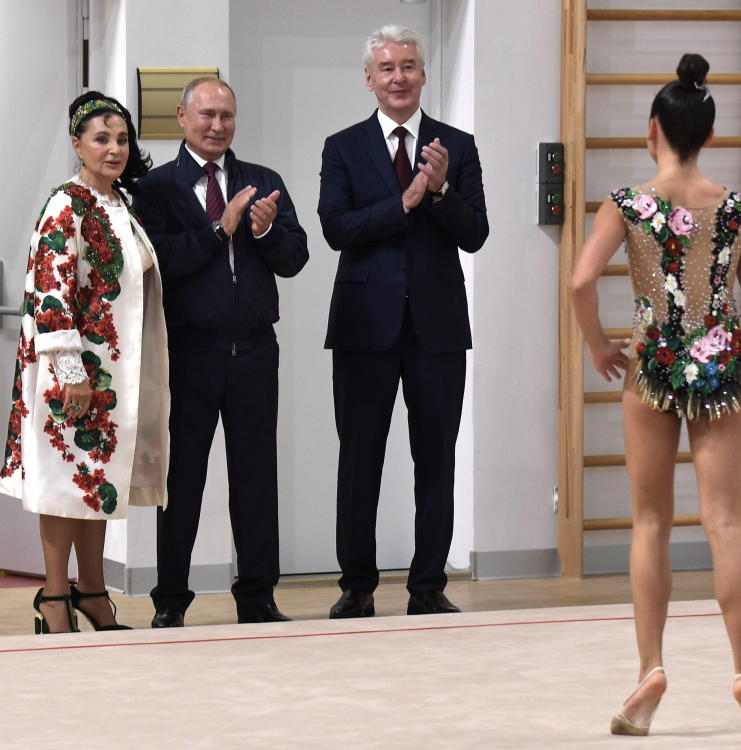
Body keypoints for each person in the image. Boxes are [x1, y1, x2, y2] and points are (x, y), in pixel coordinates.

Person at [570, 54, 741, 742]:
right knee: (726, 522)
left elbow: (579, 281)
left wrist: (600, 347)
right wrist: (732, 359)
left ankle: (648, 672)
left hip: (651, 366)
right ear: (710, 135)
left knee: (649, 523)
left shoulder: (627, 203)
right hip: (717, 366)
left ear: (651, 132)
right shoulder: (735, 207)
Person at [319, 25, 488, 618]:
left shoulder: (456, 146)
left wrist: (440, 192)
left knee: (435, 459)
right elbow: (336, 228)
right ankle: (357, 586)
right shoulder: (342, 147)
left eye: (409, 66)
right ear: (370, 79)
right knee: (359, 458)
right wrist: (405, 202)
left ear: (423, 74)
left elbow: (477, 236)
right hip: (365, 326)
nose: (399, 78)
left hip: (438, 330)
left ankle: (427, 586)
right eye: (387, 69)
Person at [133, 77, 309, 627]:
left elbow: (296, 257)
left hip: (255, 352)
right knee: (181, 481)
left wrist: (263, 232)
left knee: (256, 478)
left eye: (227, 116)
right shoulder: (156, 188)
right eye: (206, 114)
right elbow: (159, 260)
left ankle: (257, 597)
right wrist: (220, 228)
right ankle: (171, 600)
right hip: (189, 353)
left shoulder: (263, 181)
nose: (217, 126)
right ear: (182, 116)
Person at [0, 92, 168, 633]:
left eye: (121, 138)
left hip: (112, 372)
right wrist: (70, 370)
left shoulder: (120, 204)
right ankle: (54, 599)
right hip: (71, 371)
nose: (114, 148)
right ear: (77, 145)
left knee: (98, 482)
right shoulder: (65, 204)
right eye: (101, 138)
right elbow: (49, 290)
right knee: (65, 484)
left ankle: (92, 593)